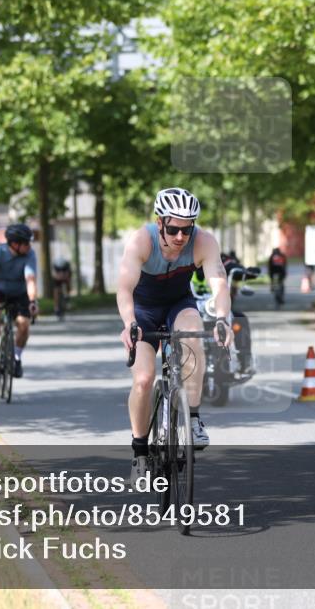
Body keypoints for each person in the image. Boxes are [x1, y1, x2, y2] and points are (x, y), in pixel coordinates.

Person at [117, 188, 233, 483]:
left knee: (193, 333)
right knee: (143, 379)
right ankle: (140, 452)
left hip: (179, 304)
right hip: (143, 310)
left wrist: (222, 319)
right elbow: (124, 288)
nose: (181, 236)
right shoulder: (141, 241)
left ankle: (192, 419)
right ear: (160, 223)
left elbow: (218, 283)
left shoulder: (204, 242)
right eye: (173, 229)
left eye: (187, 228)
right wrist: (129, 322)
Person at [0, 223, 39, 378]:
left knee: (24, 324)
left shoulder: (29, 255)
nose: (29, 246)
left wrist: (33, 301)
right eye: (26, 243)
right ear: (15, 244)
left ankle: (17, 357)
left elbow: (30, 280)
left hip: (20, 292)